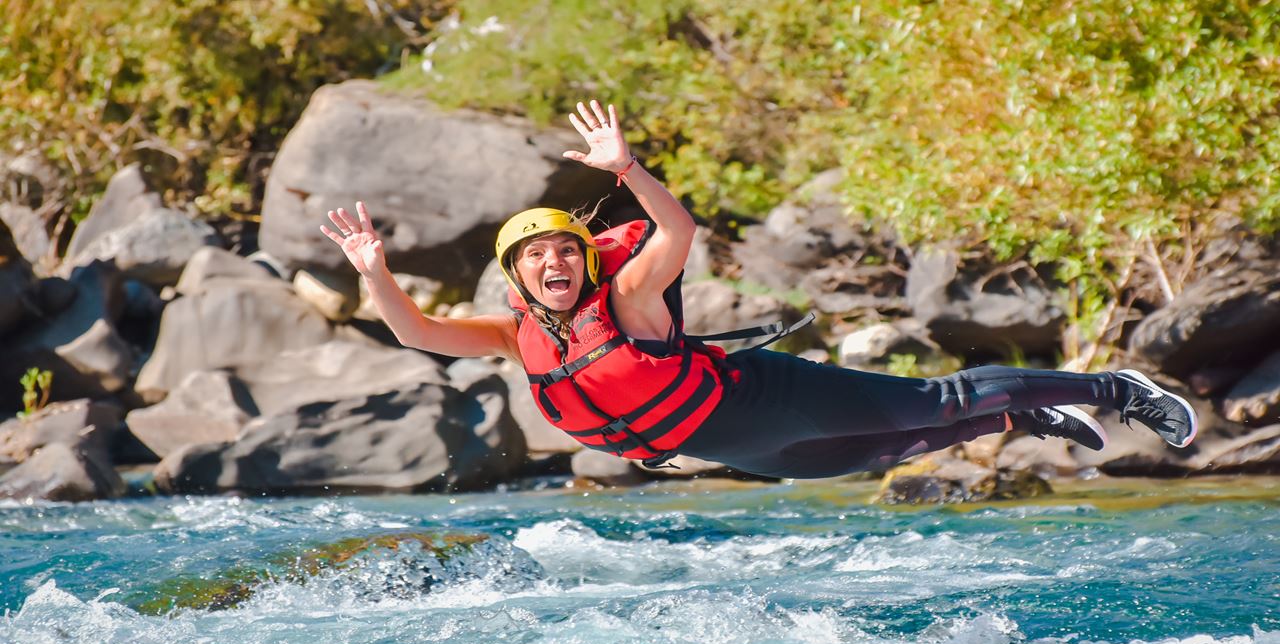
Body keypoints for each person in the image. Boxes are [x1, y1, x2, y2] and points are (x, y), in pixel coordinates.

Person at [321, 99, 1197, 479]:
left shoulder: (626, 299)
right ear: (516, 275)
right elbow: (418, 334)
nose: (554, 263)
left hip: (762, 397)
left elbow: (677, 234)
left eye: (565, 251)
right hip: (724, 445)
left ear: (583, 262)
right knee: (878, 456)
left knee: (936, 401)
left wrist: (627, 170)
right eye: (536, 257)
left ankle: (1118, 390)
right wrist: (375, 274)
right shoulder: (515, 337)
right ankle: (1028, 418)